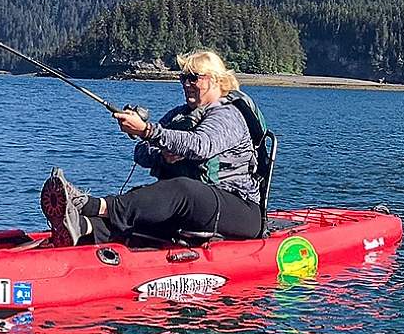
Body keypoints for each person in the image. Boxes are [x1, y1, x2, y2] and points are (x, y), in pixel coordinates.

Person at [40, 49, 267, 247]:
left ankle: (89, 205)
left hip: (239, 209)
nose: (186, 84)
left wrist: (147, 131)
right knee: (149, 198)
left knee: (181, 190)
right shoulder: (179, 115)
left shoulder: (228, 115)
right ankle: (82, 227)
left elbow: (201, 145)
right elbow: (141, 152)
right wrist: (163, 156)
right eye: (183, 78)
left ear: (216, 80)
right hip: (191, 207)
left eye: (193, 78)